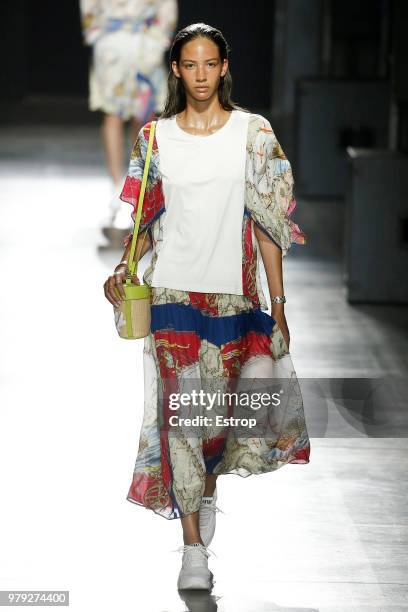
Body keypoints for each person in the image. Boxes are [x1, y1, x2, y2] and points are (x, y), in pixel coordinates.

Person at [103, 22, 311, 591]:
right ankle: (193, 549)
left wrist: (280, 303)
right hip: (172, 294)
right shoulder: (154, 137)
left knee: (213, 426)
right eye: (189, 65)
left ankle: (206, 487)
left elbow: (269, 226)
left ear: (224, 68)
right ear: (176, 70)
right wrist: (126, 268)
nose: (199, 75)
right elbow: (144, 218)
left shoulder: (253, 133)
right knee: (180, 423)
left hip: (234, 296)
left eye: (209, 65)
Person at [79, 0, 178, 237]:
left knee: (144, 118)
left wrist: (160, 38)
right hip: (111, 47)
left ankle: (141, 188)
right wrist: (98, 35)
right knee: (113, 114)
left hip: (146, 46)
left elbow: (166, 7)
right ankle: (116, 188)